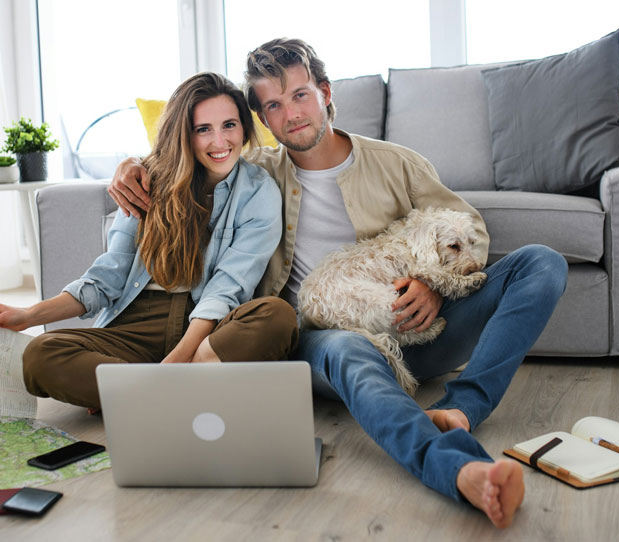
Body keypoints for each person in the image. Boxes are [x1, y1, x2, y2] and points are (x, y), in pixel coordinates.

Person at [107, 40, 568, 528]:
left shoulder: (398, 163)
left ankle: (462, 407)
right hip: (325, 343)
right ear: (263, 118)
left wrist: (433, 284)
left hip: (421, 326)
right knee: (351, 351)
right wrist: (131, 166)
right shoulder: (254, 176)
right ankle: (462, 470)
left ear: (325, 93)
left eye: (300, 95)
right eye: (273, 106)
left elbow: (466, 226)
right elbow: (190, 158)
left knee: (540, 263)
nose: (292, 114)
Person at [0, 72, 298, 411]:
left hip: (206, 328)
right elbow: (106, 278)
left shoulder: (259, 191)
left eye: (229, 125)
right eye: (203, 129)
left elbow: (228, 288)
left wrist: (178, 360)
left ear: (244, 128)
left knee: (277, 317)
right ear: (184, 134)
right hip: (134, 324)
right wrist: (28, 315)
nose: (220, 141)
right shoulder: (145, 180)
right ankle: (184, 393)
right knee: (40, 355)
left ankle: (136, 396)